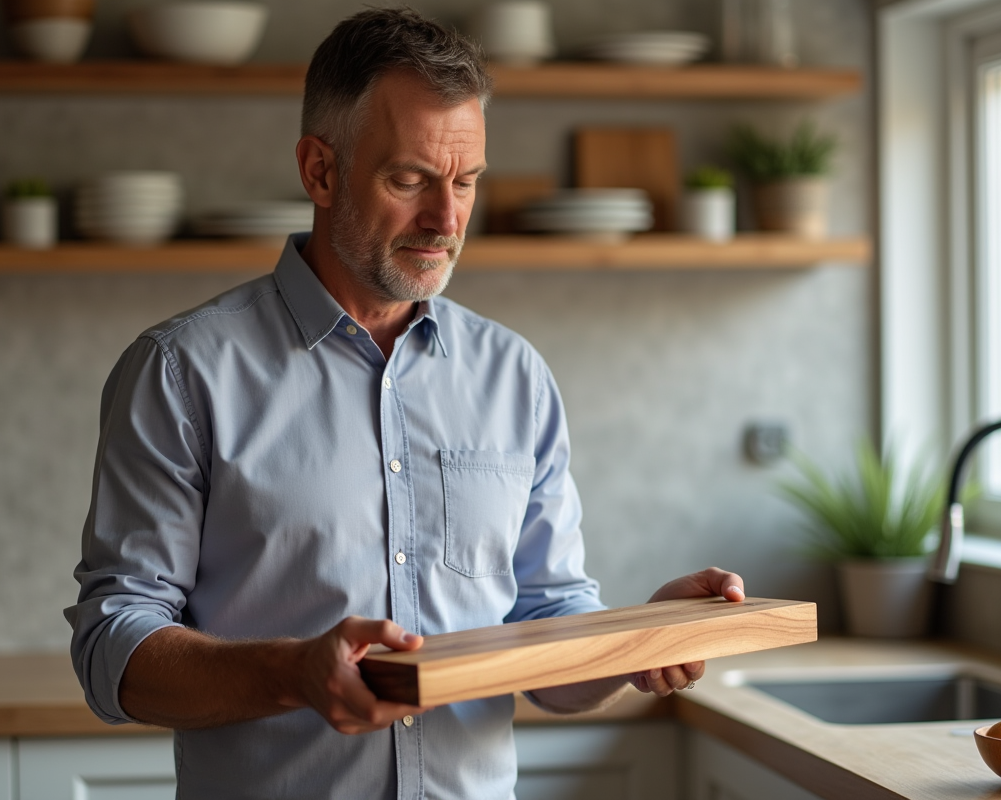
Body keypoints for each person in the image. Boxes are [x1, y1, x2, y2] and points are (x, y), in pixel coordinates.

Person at [65, 7, 746, 799]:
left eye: (465, 182)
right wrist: (294, 673)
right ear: (319, 171)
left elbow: (544, 633)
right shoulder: (181, 372)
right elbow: (114, 650)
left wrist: (633, 640)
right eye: (410, 179)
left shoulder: (513, 376)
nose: (448, 219)